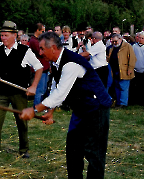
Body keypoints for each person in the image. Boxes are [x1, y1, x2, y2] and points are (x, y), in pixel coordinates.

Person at [20, 32, 112, 179]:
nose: (40, 52)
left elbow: (60, 94)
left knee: (94, 153)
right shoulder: (56, 63)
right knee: (73, 148)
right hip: (80, 109)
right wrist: (50, 111)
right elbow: (56, 88)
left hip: (96, 108)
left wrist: (34, 109)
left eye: (42, 49)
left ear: (54, 48)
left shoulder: (71, 63)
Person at [0, 21, 43, 162]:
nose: (3, 38)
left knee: (22, 122)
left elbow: (39, 67)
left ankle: (24, 149)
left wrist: (33, 86)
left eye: (6, 35)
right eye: (2, 35)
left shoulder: (25, 50)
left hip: (19, 93)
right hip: (1, 92)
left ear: (15, 35)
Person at [107, 34, 137, 108]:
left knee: (123, 87)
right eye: (112, 41)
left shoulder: (128, 46)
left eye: (115, 41)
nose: (114, 43)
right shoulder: (112, 48)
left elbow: (132, 58)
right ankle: (118, 102)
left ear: (120, 39)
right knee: (117, 86)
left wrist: (130, 69)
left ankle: (123, 103)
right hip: (114, 70)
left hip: (124, 70)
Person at [29, 23, 50, 106]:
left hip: (45, 67)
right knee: (40, 89)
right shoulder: (34, 41)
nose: (43, 32)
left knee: (43, 89)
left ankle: (40, 105)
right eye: (42, 31)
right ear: (37, 30)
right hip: (40, 67)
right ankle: (37, 106)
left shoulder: (39, 40)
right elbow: (41, 52)